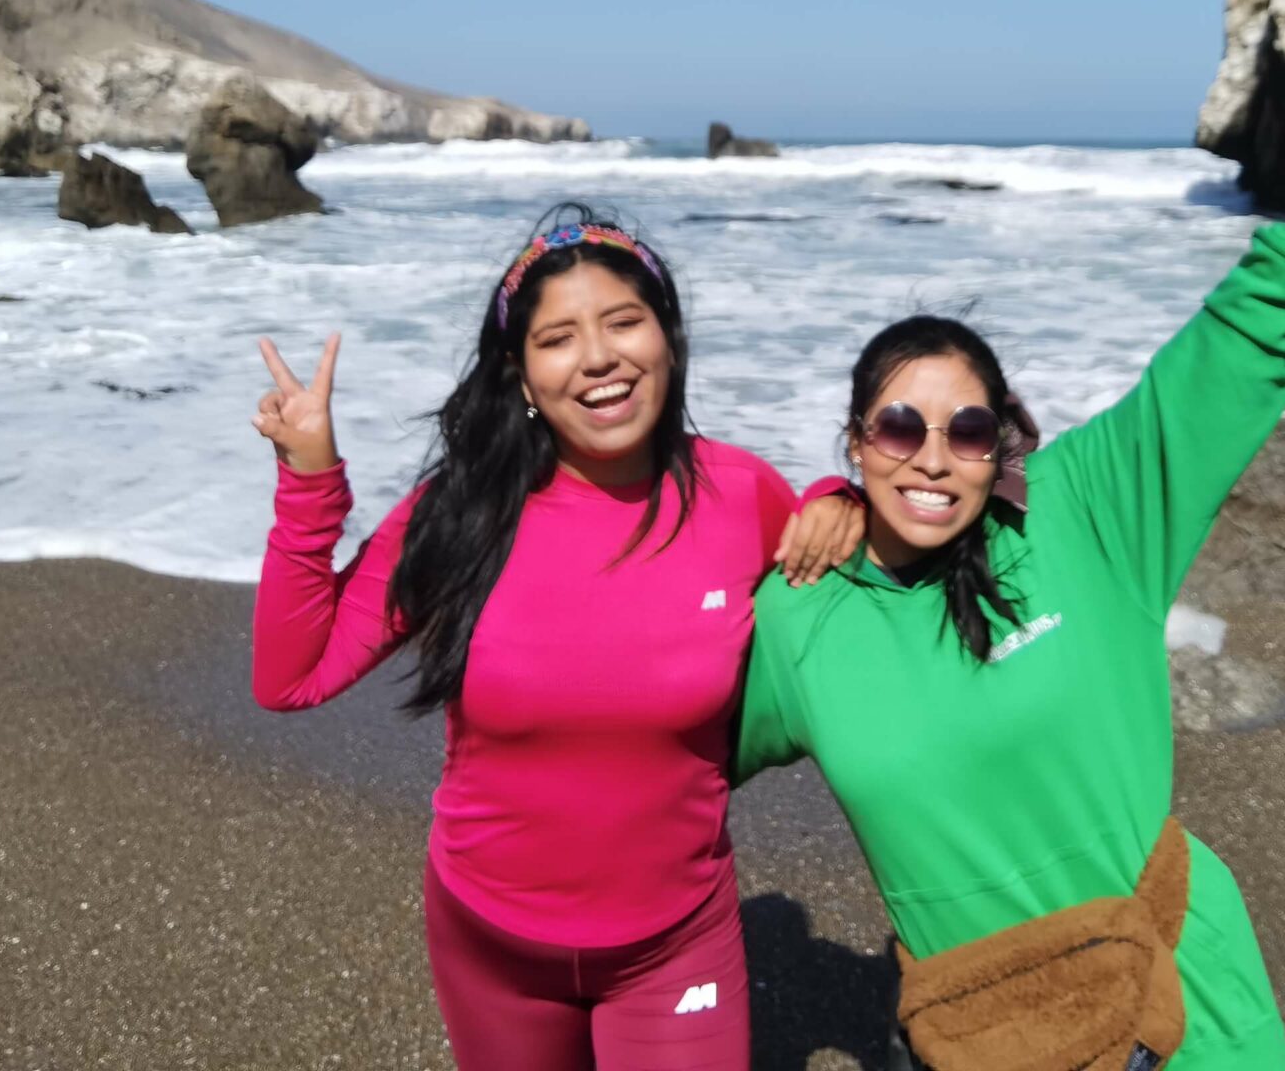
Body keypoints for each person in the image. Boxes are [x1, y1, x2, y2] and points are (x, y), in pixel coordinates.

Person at [734, 0, 1285, 1071]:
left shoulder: (1087, 515)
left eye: (968, 429)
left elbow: (1226, 354)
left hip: (1190, 997)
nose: (932, 455)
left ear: (1003, 443)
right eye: (899, 427)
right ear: (855, 443)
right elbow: (658, 741)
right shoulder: (800, 618)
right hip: (987, 1040)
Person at [249, 204, 863, 1071]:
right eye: (558, 338)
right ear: (522, 377)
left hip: (676, 945)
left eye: (623, 322)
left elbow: (857, 584)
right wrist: (309, 482)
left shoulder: (740, 495)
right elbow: (292, 675)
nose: (599, 357)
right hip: (490, 945)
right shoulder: (462, 516)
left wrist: (845, 499)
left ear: (669, 339)